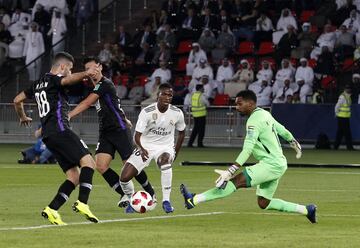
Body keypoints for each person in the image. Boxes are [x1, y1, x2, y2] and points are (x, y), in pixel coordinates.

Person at [180, 90, 317, 224]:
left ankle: (194, 200)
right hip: (278, 163)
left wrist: (231, 169)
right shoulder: (264, 113)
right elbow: (282, 129)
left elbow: (248, 149)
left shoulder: (253, 122)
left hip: (271, 164)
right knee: (264, 203)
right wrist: (294, 142)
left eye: (240, 104)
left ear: (250, 104)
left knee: (234, 181)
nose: (236, 107)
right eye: (236, 104)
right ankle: (306, 210)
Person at [13, 52, 100, 225]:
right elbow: (66, 80)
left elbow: (17, 100)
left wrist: (22, 117)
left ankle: (52, 209)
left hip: (48, 135)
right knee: (89, 162)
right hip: (60, 130)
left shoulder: (37, 84)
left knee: (73, 176)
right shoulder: (55, 80)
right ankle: (83, 203)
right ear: (62, 67)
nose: (70, 72)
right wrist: (86, 73)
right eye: (69, 68)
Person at [68, 57, 156, 211]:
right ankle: (125, 194)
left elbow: (87, 103)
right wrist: (126, 117)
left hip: (119, 129)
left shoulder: (105, 84)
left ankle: (151, 193)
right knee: (101, 165)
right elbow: (115, 105)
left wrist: (68, 115)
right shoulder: (97, 87)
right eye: (88, 69)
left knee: (130, 166)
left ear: (100, 67)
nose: (91, 71)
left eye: (93, 67)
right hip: (105, 132)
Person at [119, 83, 186, 213]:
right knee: (124, 177)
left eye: (170, 95)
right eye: (164, 94)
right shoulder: (147, 112)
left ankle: (166, 201)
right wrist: (141, 148)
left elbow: (182, 132)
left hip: (165, 147)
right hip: (145, 146)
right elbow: (136, 136)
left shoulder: (177, 113)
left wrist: (175, 152)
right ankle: (131, 200)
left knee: (165, 162)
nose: (167, 97)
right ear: (158, 95)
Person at [334, 84, 354, 150]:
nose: (348, 89)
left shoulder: (348, 96)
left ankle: (336, 146)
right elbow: (337, 106)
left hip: (345, 117)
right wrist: (336, 113)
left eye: (349, 88)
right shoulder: (343, 97)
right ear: (345, 89)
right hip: (342, 117)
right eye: (347, 88)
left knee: (340, 132)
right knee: (347, 133)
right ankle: (349, 147)